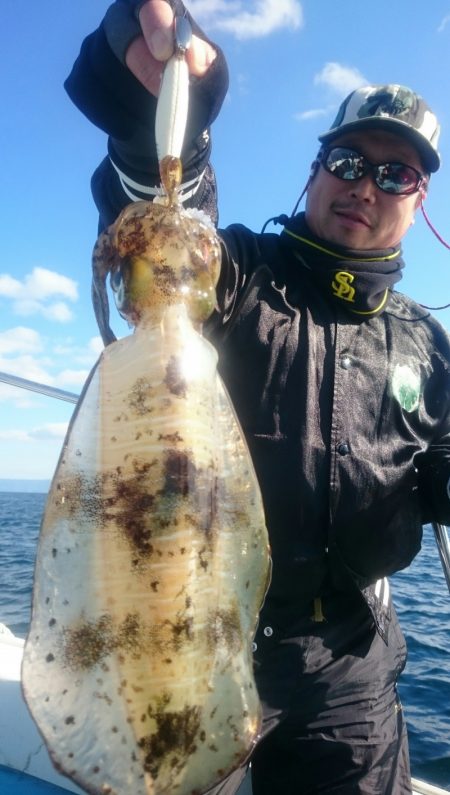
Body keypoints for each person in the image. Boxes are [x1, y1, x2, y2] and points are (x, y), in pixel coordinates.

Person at [65, 2, 450, 793]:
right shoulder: (237, 272)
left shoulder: (428, 345)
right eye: (347, 160)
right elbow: (168, 227)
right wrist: (162, 116)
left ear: (419, 201)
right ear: (314, 168)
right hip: (194, 632)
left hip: (348, 658)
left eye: (395, 174)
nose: (364, 186)